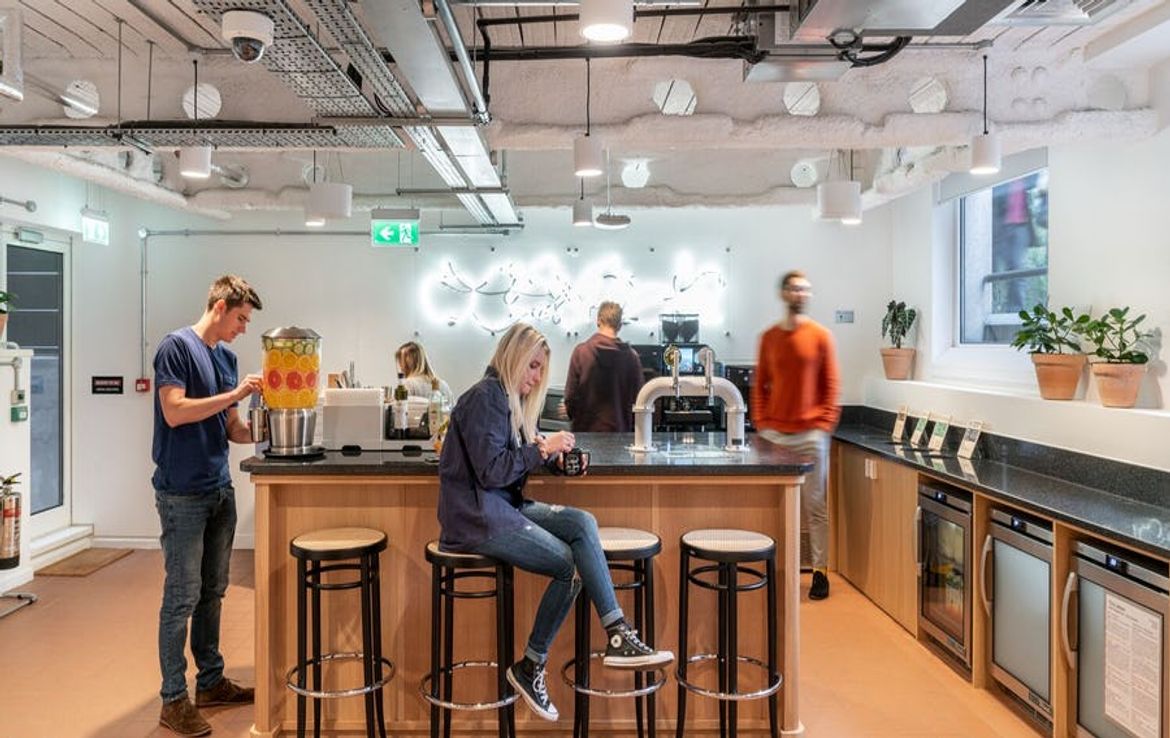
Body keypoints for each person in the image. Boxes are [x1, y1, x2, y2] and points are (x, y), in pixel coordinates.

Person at [437, 322, 673, 721]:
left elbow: (512, 463)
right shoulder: (485, 397)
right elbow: (492, 472)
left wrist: (554, 461)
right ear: (512, 356)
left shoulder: (507, 399)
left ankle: (617, 634)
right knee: (569, 565)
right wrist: (543, 448)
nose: (535, 378)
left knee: (582, 522)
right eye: (532, 366)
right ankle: (531, 665)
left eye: (540, 370)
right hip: (476, 519)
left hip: (501, 508)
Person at [151, 275, 264, 736]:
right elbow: (174, 411)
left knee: (212, 591)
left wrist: (272, 427)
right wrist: (235, 395)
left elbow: (232, 428)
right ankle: (173, 698)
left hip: (219, 488)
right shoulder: (175, 347)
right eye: (241, 318)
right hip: (181, 492)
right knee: (182, 596)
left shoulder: (226, 358)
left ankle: (211, 681)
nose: (243, 328)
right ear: (219, 307)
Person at [751, 270, 840, 601]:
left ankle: (819, 572)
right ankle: (777, 567)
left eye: (805, 289)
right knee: (774, 505)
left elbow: (831, 385)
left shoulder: (821, 336)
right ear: (783, 293)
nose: (800, 293)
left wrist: (823, 425)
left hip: (811, 435)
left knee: (815, 505)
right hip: (776, 435)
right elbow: (759, 384)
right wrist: (763, 423)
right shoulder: (769, 338)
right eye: (794, 288)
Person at [563, 301, 644, 433]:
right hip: (620, 435)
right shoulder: (632, 357)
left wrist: (574, 415)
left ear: (598, 321)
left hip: (585, 435)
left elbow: (570, 399)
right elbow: (640, 401)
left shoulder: (581, 352)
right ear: (620, 325)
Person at [395, 340, 455, 408]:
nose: (401, 368)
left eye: (400, 362)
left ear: (405, 364)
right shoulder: (443, 385)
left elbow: (400, 410)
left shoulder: (408, 384)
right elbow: (454, 411)